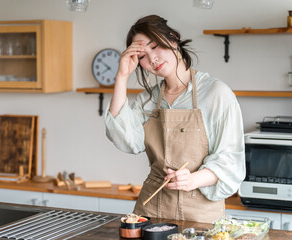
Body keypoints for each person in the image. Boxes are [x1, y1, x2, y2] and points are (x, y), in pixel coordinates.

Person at [104, 15, 245, 223]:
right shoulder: (148, 100)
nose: (152, 59)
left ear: (173, 39)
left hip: (200, 214)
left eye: (155, 46)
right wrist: (121, 76)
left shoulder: (217, 93)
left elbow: (231, 160)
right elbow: (126, 140)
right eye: (142, 56)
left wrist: (193, 179)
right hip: (150, 210)